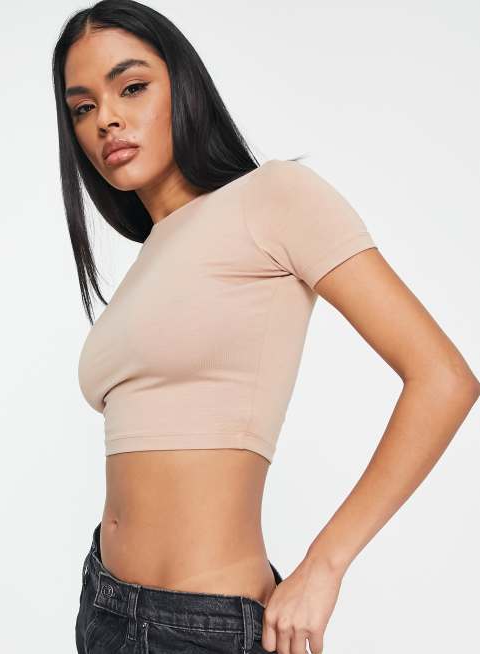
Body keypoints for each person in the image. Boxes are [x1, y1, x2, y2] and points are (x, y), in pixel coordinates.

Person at [52, 1, 480, 653]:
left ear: (184, 88)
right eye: (83, 107)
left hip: (199, 627)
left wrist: (324, 565)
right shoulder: (152, 257)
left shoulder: (273, 197)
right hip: (104, 608)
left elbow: (444, 378)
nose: (106, 117)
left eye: (131, 87)